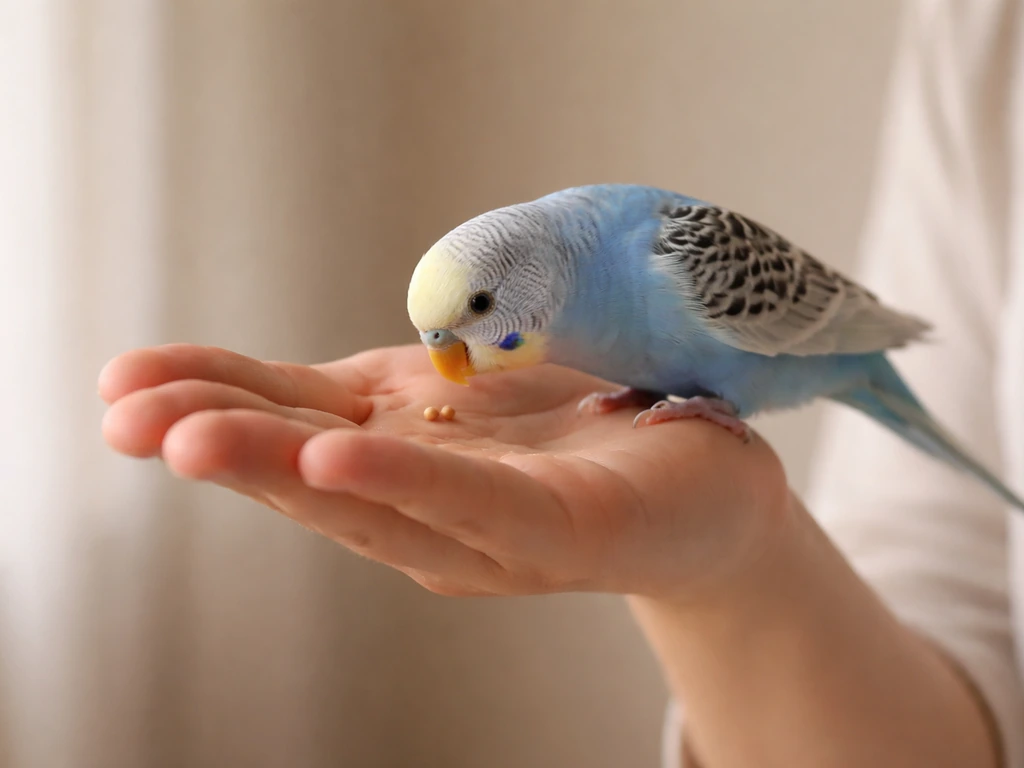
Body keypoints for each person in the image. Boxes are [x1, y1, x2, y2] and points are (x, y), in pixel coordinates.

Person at [98, 1, 1024, 765]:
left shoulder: (668, 258)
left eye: (475, 314)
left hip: (825, 351)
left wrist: (707, 408)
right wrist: (722, 562)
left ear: (525, 277)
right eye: (440, 338)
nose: (450, 359)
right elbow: (943, 589)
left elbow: (807, 319)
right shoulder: (976, 42)